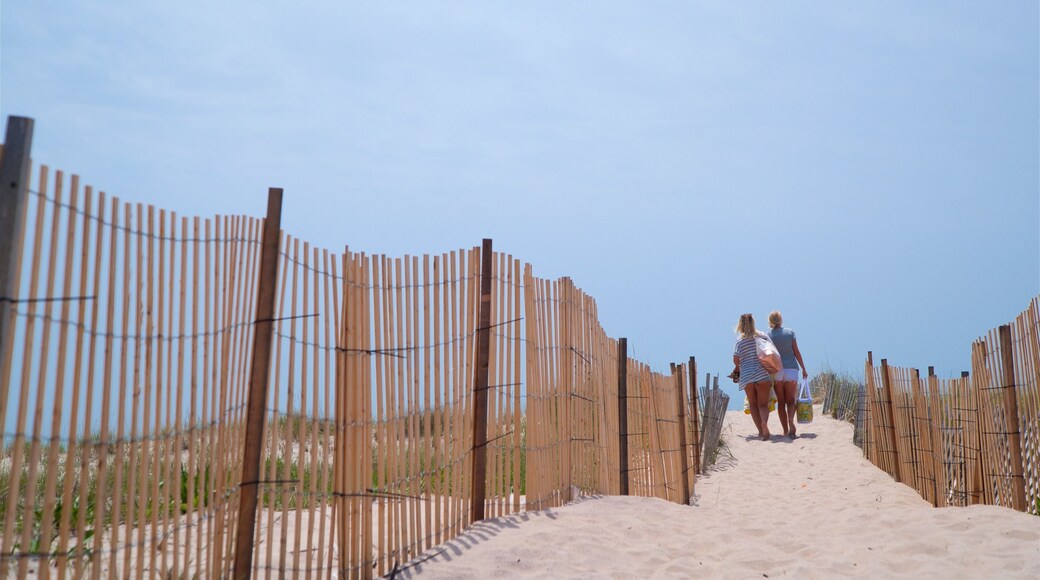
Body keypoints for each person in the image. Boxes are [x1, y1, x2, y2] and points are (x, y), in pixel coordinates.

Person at [767, 310, 808, 438]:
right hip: (791, 369)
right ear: (781, 320)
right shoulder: (790, 332)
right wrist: (803, 368)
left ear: (770, 321)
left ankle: (785, 430)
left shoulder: (768, 335)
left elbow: (769, 355)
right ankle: (791, 421)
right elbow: (796, 352)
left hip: (777, 370)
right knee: (791, 401)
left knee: (781, 402)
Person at [732, 313, 773, 440]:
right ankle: (764, 423)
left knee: (753, 404)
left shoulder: (740, 340)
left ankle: (760, 432)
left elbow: (736, 359)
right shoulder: (762, 336)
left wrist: (737, 368)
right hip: (762, 372)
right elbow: (771, 351)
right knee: (763, 404)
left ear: (741, 325)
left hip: (747, 375)